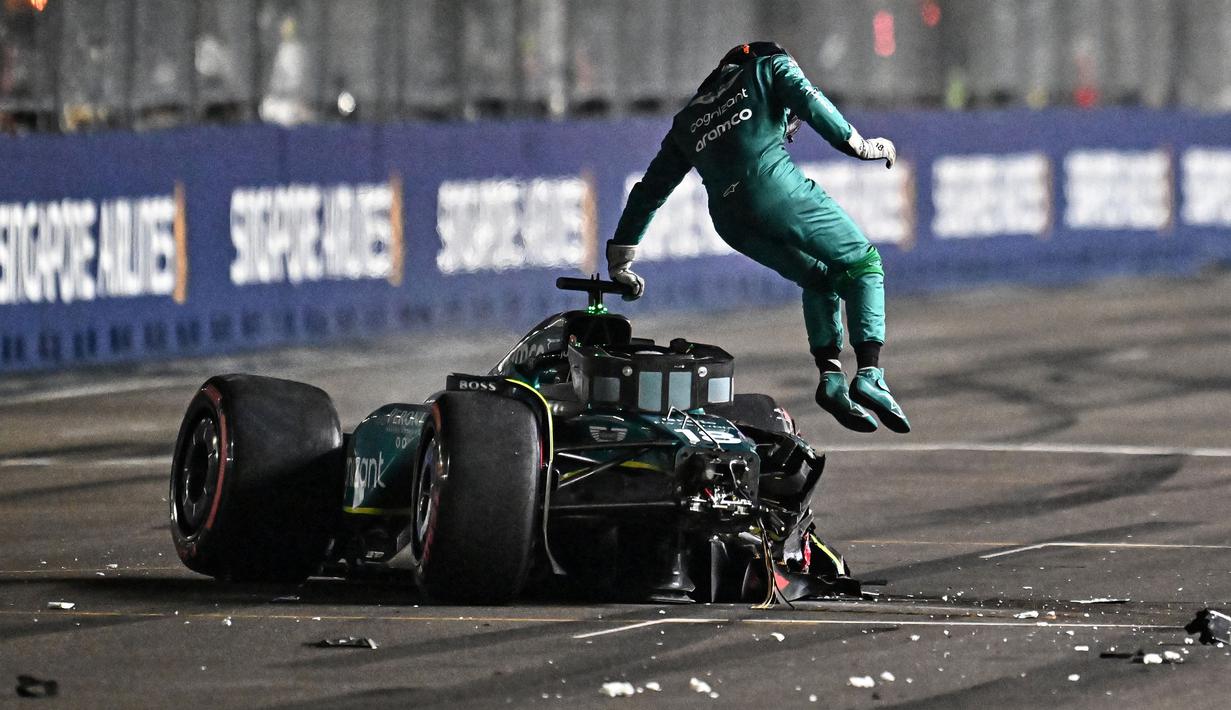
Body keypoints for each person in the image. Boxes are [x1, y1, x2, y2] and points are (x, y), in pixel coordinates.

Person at [606, 41, 909, 434]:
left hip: (730, 220)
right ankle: (870, 373)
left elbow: (649, 191)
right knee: (862, 263)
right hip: (774, 188)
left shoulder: (688, 120)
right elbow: (814, 106)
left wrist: (621, 256)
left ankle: (831, 378)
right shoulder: (769, 68)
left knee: (818, 277)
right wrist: (860, 145)